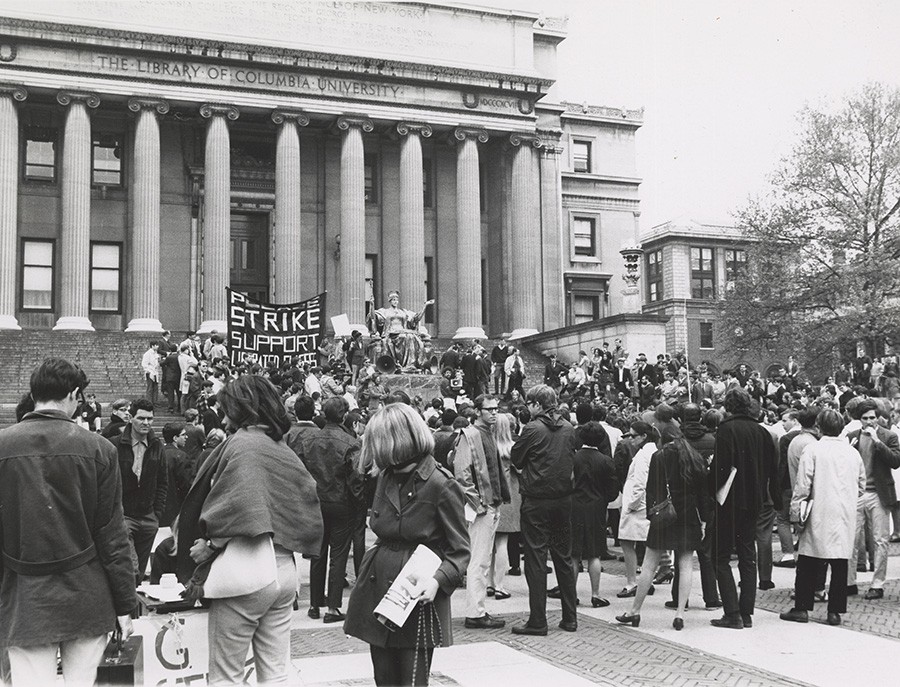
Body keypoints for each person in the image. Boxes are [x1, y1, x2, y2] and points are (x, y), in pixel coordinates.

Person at [177, 375, 323, 685]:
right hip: (284, 570)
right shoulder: (281, 447)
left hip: (245, 567)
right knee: (276, 674)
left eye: (227, 406)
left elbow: (241, 503)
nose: (224, 413)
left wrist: (212, 544)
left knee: (225, 677)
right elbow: (305, 497)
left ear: (241, 407)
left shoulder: (242, 443)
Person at [0, 358, 136, 686]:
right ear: (74, 394)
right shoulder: (100, 449)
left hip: (25, 595)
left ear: (34, 394)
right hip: (87, 594)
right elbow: (111, 534)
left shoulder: (3, 446)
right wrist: (124, 604)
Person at [343, 403, 469, 687]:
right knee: (384, 679)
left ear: (394, 443)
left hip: (416, 595)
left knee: (412, 681)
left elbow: (460, 550)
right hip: (379, 590)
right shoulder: (386, 474)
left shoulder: (440, 484)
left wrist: (438, 581)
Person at [617, 428, 709, 630]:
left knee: (650, 564)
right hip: (689, 515)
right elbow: (703, 491)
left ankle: (635, 610)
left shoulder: (659, 456)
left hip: (664, 515)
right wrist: (704, 519)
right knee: (685, 565)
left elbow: (652, 490)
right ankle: (679, 614)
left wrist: (651, 515)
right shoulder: (694, 456)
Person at [780, 409, 866, 626]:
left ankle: (802, 607)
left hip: (818, 510)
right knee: (839, 562)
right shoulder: (852, 453)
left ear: (819, 427)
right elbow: (862, 485)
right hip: (844, 512)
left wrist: (796, 512)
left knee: (808, 560)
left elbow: (802, 485)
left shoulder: (813, 450)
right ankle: (835, 611)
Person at [509, 384, 579, 635]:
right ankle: (570, 617)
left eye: (530, 403)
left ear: (537, 405)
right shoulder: (569, 428)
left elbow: (516, 458)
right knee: (563, 556)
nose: (528, 407)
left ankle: (538, 620)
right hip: (563, 498)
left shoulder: (532, 428)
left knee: (536, 558)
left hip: (537, 498)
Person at [709, 387, 781, 630]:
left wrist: (711, 490)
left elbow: (720, 467)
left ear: (728, 406)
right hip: (755, 499)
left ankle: (732, 611)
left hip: (729, 500)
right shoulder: (763, 432)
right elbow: (773, 468)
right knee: (747, 555)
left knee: (720, 556)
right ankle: (746, 612)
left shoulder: (726, 430)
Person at [301, 396, 365, 622]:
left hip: (317, 501)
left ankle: (315, 605)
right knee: (338, 556)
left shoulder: (310, 440)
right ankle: (332, 608)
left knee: (318, 554)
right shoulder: (350, 442)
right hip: (341, 502)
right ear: (344, 415)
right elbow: (356, 478)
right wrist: (360, 502)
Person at [453, 394, 509, 630]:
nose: (494, 413)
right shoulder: (471, 435)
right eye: (489, 409)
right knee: (479, 560)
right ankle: (475, 612)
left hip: (491, 504)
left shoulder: (487, 433)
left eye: (496, 409)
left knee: (483, 559)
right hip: (482, 507)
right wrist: (477, 503)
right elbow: (462, 473)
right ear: (477, 412)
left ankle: (478, 610)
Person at [846, 398, 900, 599]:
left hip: (879, 494)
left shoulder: (889, 436)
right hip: (858, 493)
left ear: (878, 418)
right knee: (852, 538)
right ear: (859, 419)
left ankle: (877, 584)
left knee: (880, 540)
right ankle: (849, 582)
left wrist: (877, 440)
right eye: (865, 418)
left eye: (872, 418)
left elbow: (895, 461)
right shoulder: (852, 437)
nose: (870, 422)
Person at [110, 398, 167, 585]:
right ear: (130, 418)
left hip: (148, 517)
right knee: (131, 569)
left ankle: (134, 610)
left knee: (140, 572)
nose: (146, 423)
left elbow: (162, 482)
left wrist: (156, 515)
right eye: (141, 418)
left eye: (150, 419)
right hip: (124, 516)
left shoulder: (157, 445)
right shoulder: (114, 445)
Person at [570, 422, 619, 608]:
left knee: (574, 554)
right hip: (597, 508)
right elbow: (613, 489)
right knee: (594, 553)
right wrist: (603, 499)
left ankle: (571, 593)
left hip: (575, 506)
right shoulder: (605, 461)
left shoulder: (573, 458)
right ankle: (595, 594)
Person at [616, 421, 658, 598]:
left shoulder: (643, 456)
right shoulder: (651, 452)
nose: (630, 438)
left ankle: (632, 582)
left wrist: (631, 505)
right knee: (646, 544)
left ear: (643, 436)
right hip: (644, 505)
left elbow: (640, 484)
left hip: (637, 507)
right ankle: (645, 581)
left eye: (633, 435)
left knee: (627, 543)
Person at [490, 412, 521, 597]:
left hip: (492, 494)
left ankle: (488, 583)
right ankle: (500, 585)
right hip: (509, 496)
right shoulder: (513, 448)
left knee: (489, 544)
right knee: (503, 543)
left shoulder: (489, 446)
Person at [369, 290, 434, 371]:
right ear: (390, 301)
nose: (395, 302)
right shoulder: (384, 311)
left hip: (403, 332)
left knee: (411, 337)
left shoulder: (403, 312)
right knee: (405, 337)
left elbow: (416, 318)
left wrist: (425, 306)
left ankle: (411, 364)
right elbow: (373, 317)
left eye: (396, 300)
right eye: (393, 300)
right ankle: (404, 363)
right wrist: (371, 305)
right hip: (391, 334)